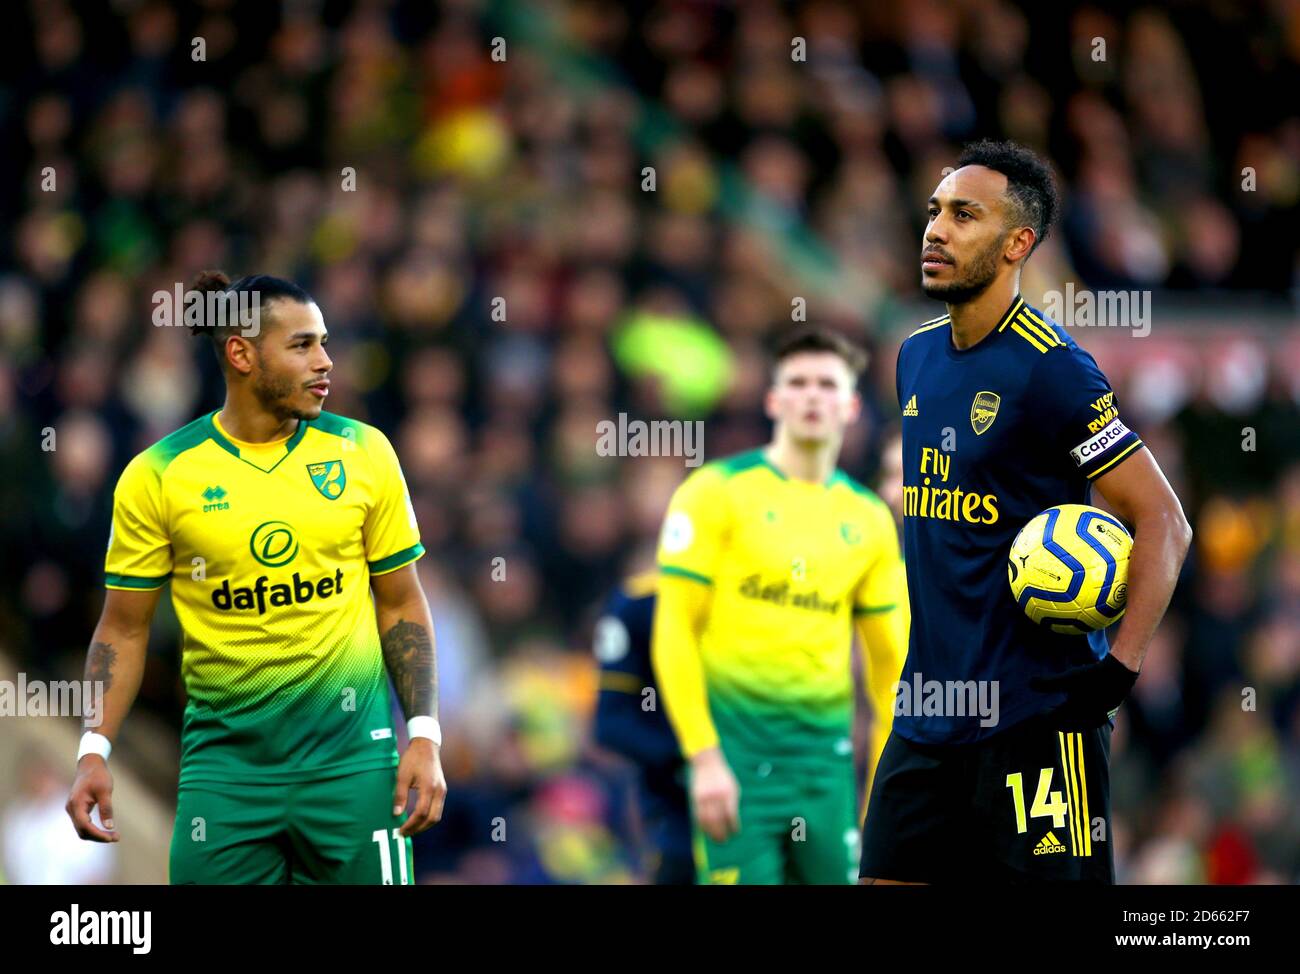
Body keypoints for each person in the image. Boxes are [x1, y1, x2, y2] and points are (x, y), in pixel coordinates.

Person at [859, 140, 1192, 884]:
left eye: (964, 215)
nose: (937, 229)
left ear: (1018, 245)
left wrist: (1120, 670)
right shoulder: (913, 357)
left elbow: (1165, 522)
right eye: (936, 211)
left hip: (1038, 721)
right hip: (927, 716)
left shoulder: (1053, 370)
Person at [66, 271, 447, 884]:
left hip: (352, 767)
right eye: (301, 346)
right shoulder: (159, 475)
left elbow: (402, 605)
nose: (325, 362)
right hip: (225, 776)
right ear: (241, 354)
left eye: (323, 342)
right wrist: (93, 749)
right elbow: (124, 630)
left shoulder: (364, 452)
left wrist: (425, 736)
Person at [652, 328, 909, 884]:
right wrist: (703, 759)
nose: (811, 396)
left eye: (826, 384)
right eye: (797, 382)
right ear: (773, 400)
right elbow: (673, 630)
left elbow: (891, 676)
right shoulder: (715, 492)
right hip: (736, 764)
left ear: (851, 405)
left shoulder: (868, 520)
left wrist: (886, 799)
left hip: (826, 772)